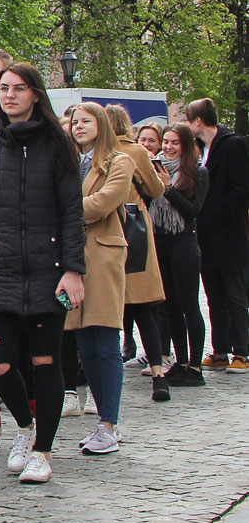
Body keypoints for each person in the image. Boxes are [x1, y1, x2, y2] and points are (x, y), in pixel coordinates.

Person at [0, 63, 86, 485]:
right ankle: (23, 427)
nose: (9, 94)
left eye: (18, 88)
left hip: (47, 271)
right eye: (3, 88)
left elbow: (73, 213)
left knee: (46, 360)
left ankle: (43, 450)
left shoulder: (58, 146)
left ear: (35, 94)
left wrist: (73, 270)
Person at [65, 102, 135, 455]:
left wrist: (63, 211)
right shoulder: (68, 162)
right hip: (68, 259)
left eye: (86, 121)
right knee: (82, 341)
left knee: (105, 339)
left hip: (102, 256)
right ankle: (101, 422)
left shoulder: (119, 161)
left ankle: (109, 422)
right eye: (74, 121)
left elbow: (106, 201)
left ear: (102, 124)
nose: (78, 126)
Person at [106, 105, 168, 397]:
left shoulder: (97, 151)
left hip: (105, 226)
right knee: (143, 307)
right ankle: (158, 373)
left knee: (106, 308)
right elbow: (156, 189)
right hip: (135, 228)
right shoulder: (136, 152)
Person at [186, 98, 249, 372]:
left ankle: (241, 352)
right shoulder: (203, 149)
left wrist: (217, 214)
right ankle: (220, 349)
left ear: (198, 121)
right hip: (208, 236)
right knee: (213, 296)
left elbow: (240, 188)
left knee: (235, 295)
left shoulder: (233, 144)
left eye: (189, 121)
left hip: (229, 234)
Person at [153, 123, 209, 385]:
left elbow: (192, 211)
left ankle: (195, 368)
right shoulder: (156, 168)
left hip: (184, 242)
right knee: (170, 307)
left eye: (174, 142)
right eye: (166, 142)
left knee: (189, 306)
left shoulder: (197, 172)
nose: (168, 147)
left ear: (185, 145)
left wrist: (169, 189)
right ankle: (181, 361)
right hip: (159, 240)